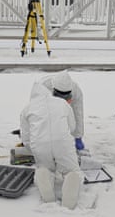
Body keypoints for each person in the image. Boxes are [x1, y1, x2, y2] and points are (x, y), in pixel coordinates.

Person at [20, 81, 83, 209]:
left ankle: (45, 180)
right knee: (72, 171)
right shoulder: (62, 104)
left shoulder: (27, 108)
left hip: (39, 144)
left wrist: (33, 149)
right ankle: (68, 204)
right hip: (62, 142)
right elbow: (72, 127)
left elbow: (26, 138)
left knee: (44, 168)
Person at [38, 70, 85, 151]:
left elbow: (78, 114)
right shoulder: (43, 87)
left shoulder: (76, 91)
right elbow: (35, 114)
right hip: (46, 108)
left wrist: (78, 136)